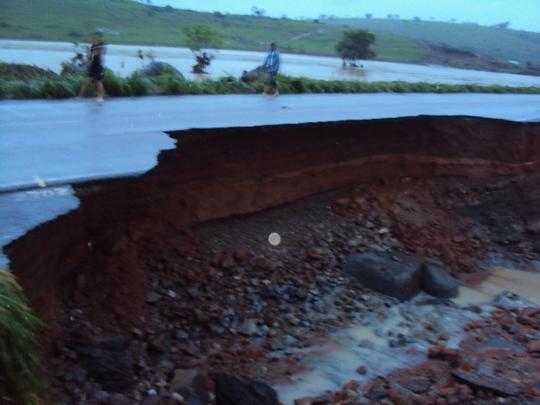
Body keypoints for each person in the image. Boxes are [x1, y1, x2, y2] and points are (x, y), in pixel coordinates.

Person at [79, 32, 106, 102]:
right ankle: (80, 96)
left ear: (99, 39)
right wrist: (86, 62)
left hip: (99, 65)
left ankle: (100, 97)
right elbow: (90, 57)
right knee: (87, 81)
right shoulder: (93, 46)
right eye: (92, 38)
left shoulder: (101, 45)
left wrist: (94, 52)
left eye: (95, 38)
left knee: (98, 81)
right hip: (93, 65)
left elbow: (99, 53)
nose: (93, 39)